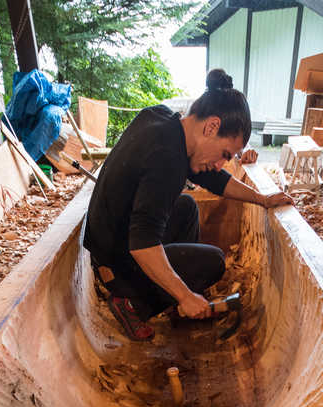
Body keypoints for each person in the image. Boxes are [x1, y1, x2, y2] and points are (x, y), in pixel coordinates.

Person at [83, 68, 292, 341]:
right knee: (212, 262)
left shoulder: (164, 122)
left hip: (108, 244)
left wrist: (262, 199)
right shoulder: (166, 159)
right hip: (118, 266)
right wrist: (185, 295)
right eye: (225, 154)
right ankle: (134, 303)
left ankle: (174, 303)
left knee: (185, 207)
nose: (222, 163)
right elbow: (143, 246)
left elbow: (214, 178)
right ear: (212, 126)